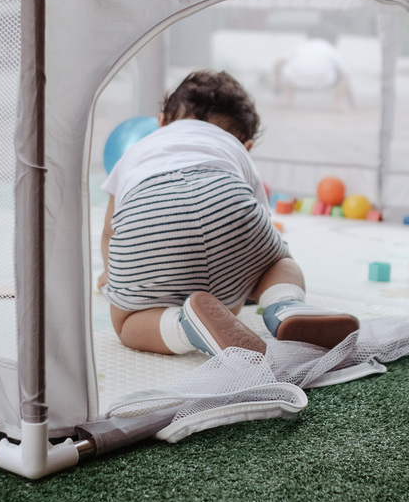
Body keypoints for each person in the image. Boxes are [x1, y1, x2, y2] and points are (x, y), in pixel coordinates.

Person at [99, 70, 359, 357]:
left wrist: (114, 276)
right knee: (278, 262)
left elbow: (111, 230)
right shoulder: (232, 149)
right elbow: (257, 220)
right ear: (246, 146)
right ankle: (285, 304)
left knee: (127, 321)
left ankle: (187, 327)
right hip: (226, 200)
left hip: (151, 220)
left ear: (161, 122)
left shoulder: (137, 151)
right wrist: (248, 272)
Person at [273, 24, 355, 110]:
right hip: (322, 80)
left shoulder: (300, 46)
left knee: (290, 68)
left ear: (308, 36)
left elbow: (278, 63)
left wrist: (276, 84)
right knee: (341, 75)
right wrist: (352, 103)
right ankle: (337, 103)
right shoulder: (329, 48)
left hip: (296, 79)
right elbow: (344, 73)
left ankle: (288, 99)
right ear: (334, 40)